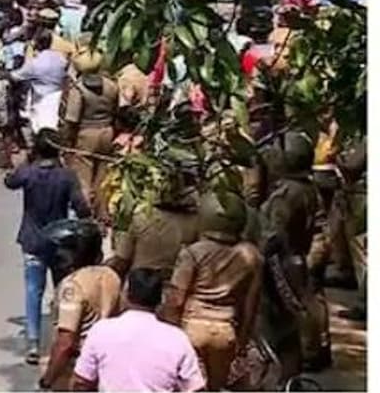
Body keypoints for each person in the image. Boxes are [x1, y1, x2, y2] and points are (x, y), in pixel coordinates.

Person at [4, 129, 92, 365]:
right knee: (63, 292)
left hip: (32, 242)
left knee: (34, 291)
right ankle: (63, 340)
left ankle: (33, 343)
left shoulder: (28, 174)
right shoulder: (66, 176)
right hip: (61, 243)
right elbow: (82, 209)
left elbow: (9, 181)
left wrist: (24, 160)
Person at [161, 191, 264, 391]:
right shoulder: (253, 257)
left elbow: (176, 300)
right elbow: (251, 306)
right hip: (226, 332)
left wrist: (168, 333)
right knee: (216, 388)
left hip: (192, 328)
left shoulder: (193, 253)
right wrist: (242, 343)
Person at [259, 132, 330, 376]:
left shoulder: (286, 195)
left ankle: (286, 377)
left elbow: (272, 236)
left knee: (281, 325)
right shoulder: (308, 188)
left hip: (282, 265)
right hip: (297, 259)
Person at [71, 269, 207, 392]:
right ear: (161, 300)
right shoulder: (177, 338)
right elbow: (195, 387)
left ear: (125, 294)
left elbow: (81, 381)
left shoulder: (101, 331)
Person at [39, 219, 122, 391]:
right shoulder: (111, 275)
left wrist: (47, 381)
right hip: (107, 364)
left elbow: (66, 342)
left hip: (77, 368)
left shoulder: (73, 286)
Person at [58, 50, 119, 215]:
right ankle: (103, 214)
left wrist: (66, 141)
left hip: (86, 134)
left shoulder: (78, 90)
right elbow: (116, 110)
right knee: (103, 176)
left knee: (83, 178)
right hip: (107, 132)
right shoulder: (111, 85)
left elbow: (71, 119)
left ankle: (85, 214)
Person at [11, 29, 69, 134]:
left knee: (38, 130)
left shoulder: (35, 63)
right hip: (58, 98)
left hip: (41, 100)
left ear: (37, 44)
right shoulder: (61, 59)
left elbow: (16, 76)